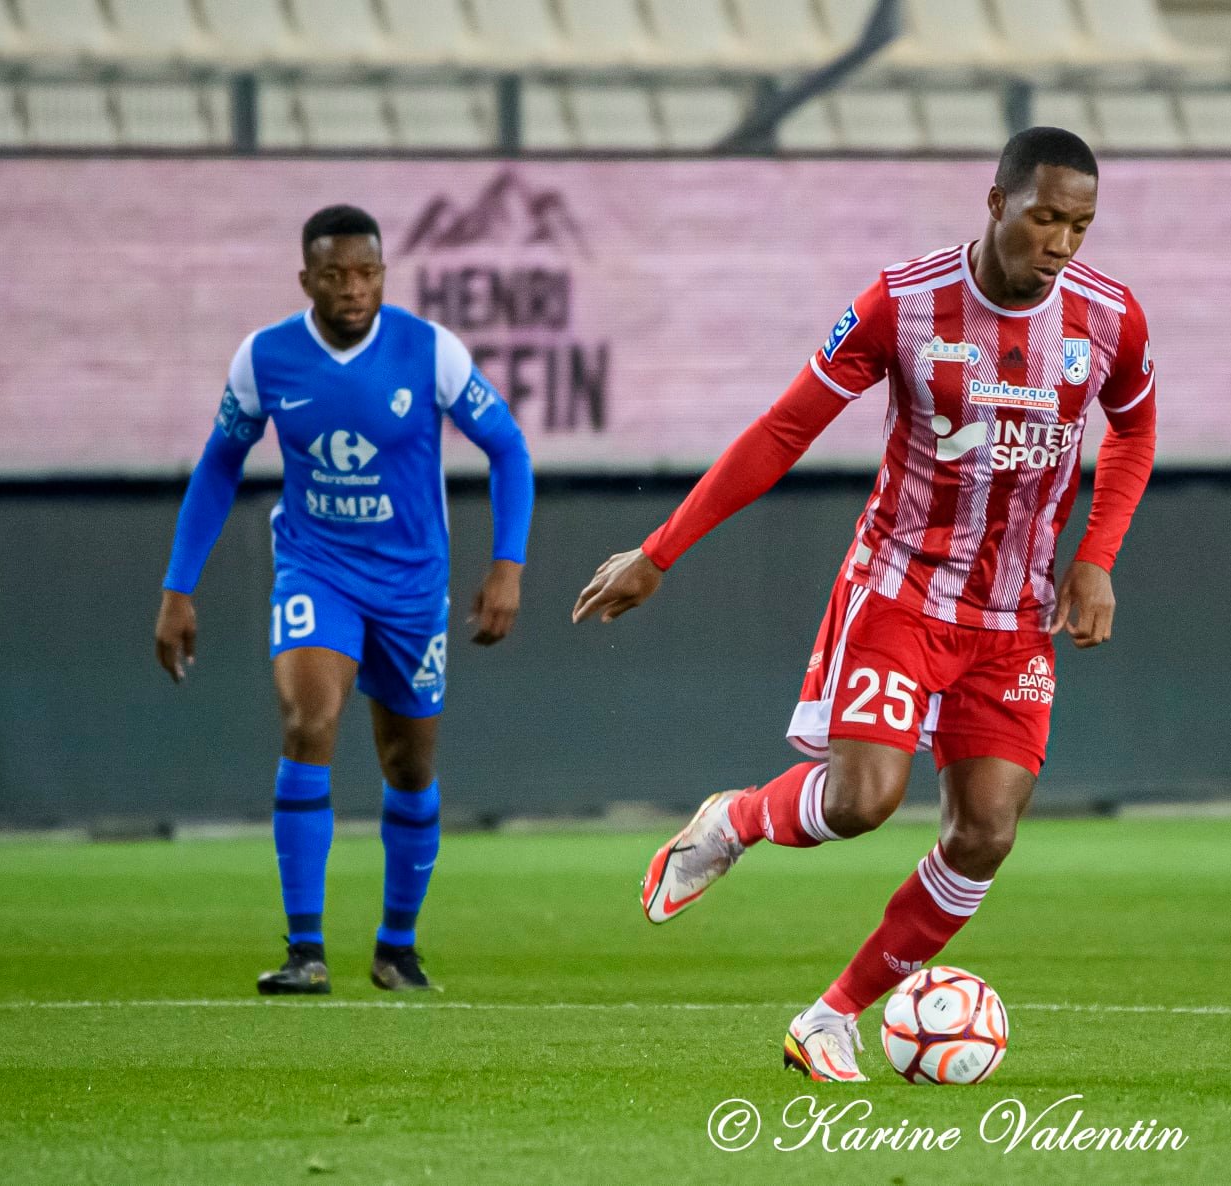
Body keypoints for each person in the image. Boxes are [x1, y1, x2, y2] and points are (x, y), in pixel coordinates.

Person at [573, 127, 1156, 1081]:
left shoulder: (1108, 319)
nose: (1061, 242)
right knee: (862, 804)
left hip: (1015, 619)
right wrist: (660, 551)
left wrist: (1095, 558)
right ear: (996, 202)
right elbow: (784, 428)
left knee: (986, 834)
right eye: (1046, 216)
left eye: (1080, 225)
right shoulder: (905, 302)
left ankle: (831, 1017)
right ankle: (737, 821)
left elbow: (1134, 428)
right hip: (902, 588)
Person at [155, 205, 534, 995]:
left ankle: (396, 948)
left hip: (410, 585)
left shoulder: (429, 352)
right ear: (307, 280)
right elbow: (219, 465)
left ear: (383, 275)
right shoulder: (265, 359)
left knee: (408, 762)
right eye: (335, 275)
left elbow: (507, 448)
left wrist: (508, 565)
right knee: (308, 722)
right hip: (315, 569)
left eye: (367, 273)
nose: (353, 289)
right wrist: (178, 587)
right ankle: (305, 950)